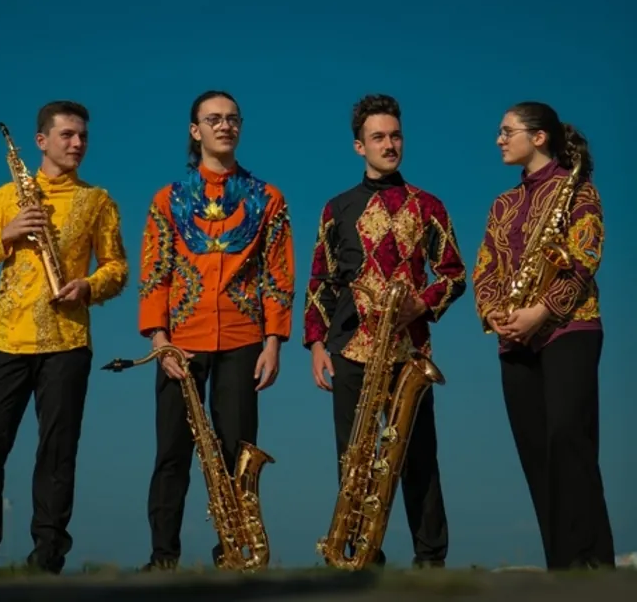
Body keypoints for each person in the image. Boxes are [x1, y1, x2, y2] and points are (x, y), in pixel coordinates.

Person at [0, 100, 129, 573]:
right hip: (7, 338)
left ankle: (47, 557)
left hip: (68, 340)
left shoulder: (98, 201)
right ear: (41, 141)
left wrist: (87, 286)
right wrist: (8, 233)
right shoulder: (5, 197)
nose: (77, 144)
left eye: (83, 137)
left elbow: (117, 268)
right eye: (68, 135)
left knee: (57, 450)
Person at [303, 93, 466, 569]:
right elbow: (321, 280)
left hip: (409, 353)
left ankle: (431, 561)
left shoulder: (429, 205)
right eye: (378, 137)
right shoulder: (337, 208)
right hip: (351, 349)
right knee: (353, 461)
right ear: (359, 147)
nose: (389, 144)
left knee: (420, 459)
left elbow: (454, 274)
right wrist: (316, 343)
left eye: (395, 135)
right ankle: (359, 559)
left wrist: (423, 303)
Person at [138, 89, 295, 571]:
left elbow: (278, 274)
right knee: (172, 452)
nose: (224, 126)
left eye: (232, 119)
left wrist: (274, 342)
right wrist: (159, 340)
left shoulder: (268, 198)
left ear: (240, 126)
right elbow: (154, 273)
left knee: (237, 452)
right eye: (213, 119)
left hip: (245, 340)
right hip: (180, 342)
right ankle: (164, 557)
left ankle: (236, 553)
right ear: (196, 130)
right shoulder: (167, 199)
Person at [471, 100, 615, 571]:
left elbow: (584, 257)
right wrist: (495, 314)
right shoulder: (502, 204)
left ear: (538, 137)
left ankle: (592, 563)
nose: (498, 139)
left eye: (506, 130)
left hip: (570, 328)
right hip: (515, 337)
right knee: (536, 452)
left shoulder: (578, 192)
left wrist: (541, 311)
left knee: (568, 439)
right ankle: (562, 568)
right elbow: (486, 267)